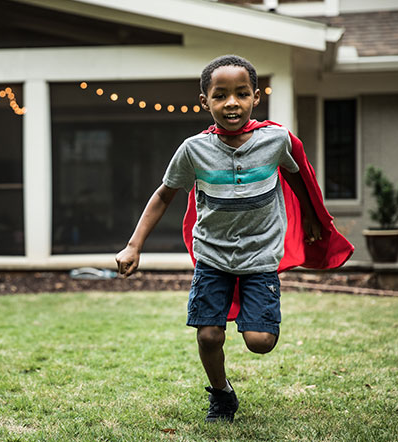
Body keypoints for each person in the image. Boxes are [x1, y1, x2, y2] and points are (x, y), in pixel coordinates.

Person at [115, 55, 353, 423]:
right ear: (205, 101)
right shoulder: (193, 150)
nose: (231, 103)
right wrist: (134, 244)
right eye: (220, 95)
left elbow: (295, 175)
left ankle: (255, 321)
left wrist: (309, 217)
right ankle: (222, 394)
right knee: (209, 335)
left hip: (260, 256)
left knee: (261, 342)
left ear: (256, 97)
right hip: (212, 256)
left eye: (241, 94)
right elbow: (164, 194)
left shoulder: (275, 140)